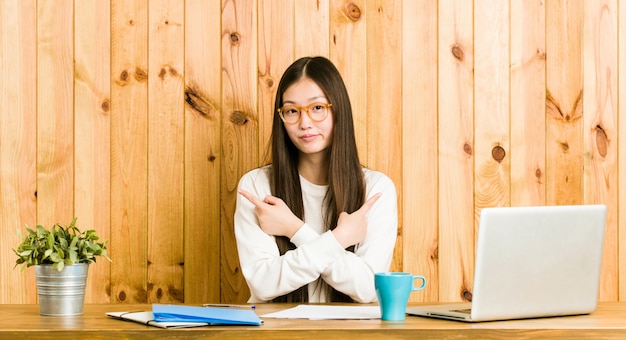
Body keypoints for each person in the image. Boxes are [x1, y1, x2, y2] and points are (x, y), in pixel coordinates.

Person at [234, 56, 398, 303]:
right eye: (291, 111)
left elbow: (367, 289)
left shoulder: (375, 189)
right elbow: (262, 285)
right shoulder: (256, 186)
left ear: (337, 109)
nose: (305, 123)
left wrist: (294, 229)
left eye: (318, 108)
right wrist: (340, 239)